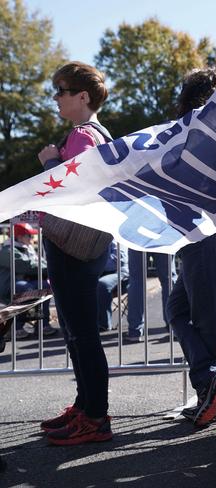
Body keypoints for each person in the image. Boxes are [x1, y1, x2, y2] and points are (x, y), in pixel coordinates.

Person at [36, 61, 113, 445]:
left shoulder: (82, 135)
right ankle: (86, 407)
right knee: (78, 332)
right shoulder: (95, 133)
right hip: (85, 245)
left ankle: (95, 416)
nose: (56, 97)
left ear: (82, 97)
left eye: (61, 90)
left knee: (81, 334)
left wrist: (50, 161)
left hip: (71, 246)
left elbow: (76, 185)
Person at [165, 67, 216, 427]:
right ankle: (214, 381)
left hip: (204, 232)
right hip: (214, 231)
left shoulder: (189, 128)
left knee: (210, 320)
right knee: (179, 311)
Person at [0, 223, 56, 339]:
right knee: (24, 288)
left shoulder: (28, 249)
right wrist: (51, 268)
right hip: (7, 287)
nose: (32, 239)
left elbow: (41, 263)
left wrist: (48, 268)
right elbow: (27, 266)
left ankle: (42, 324)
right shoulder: (7, 251)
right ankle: (16, 328)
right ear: (20, 237)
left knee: (45, 285)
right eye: (29, 236)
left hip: (24, 282)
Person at [124, 250, 176, 342]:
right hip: (163, 238)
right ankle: (174, 327)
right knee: (168, 280)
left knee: (136, 280)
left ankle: (135, 331)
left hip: (139, 238)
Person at [96, 241, 129, 332]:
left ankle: (104, 324)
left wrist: (96, 265)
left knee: (102, 284)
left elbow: (119, 260)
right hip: (101, 272)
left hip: (120, 273)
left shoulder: (115, 236)